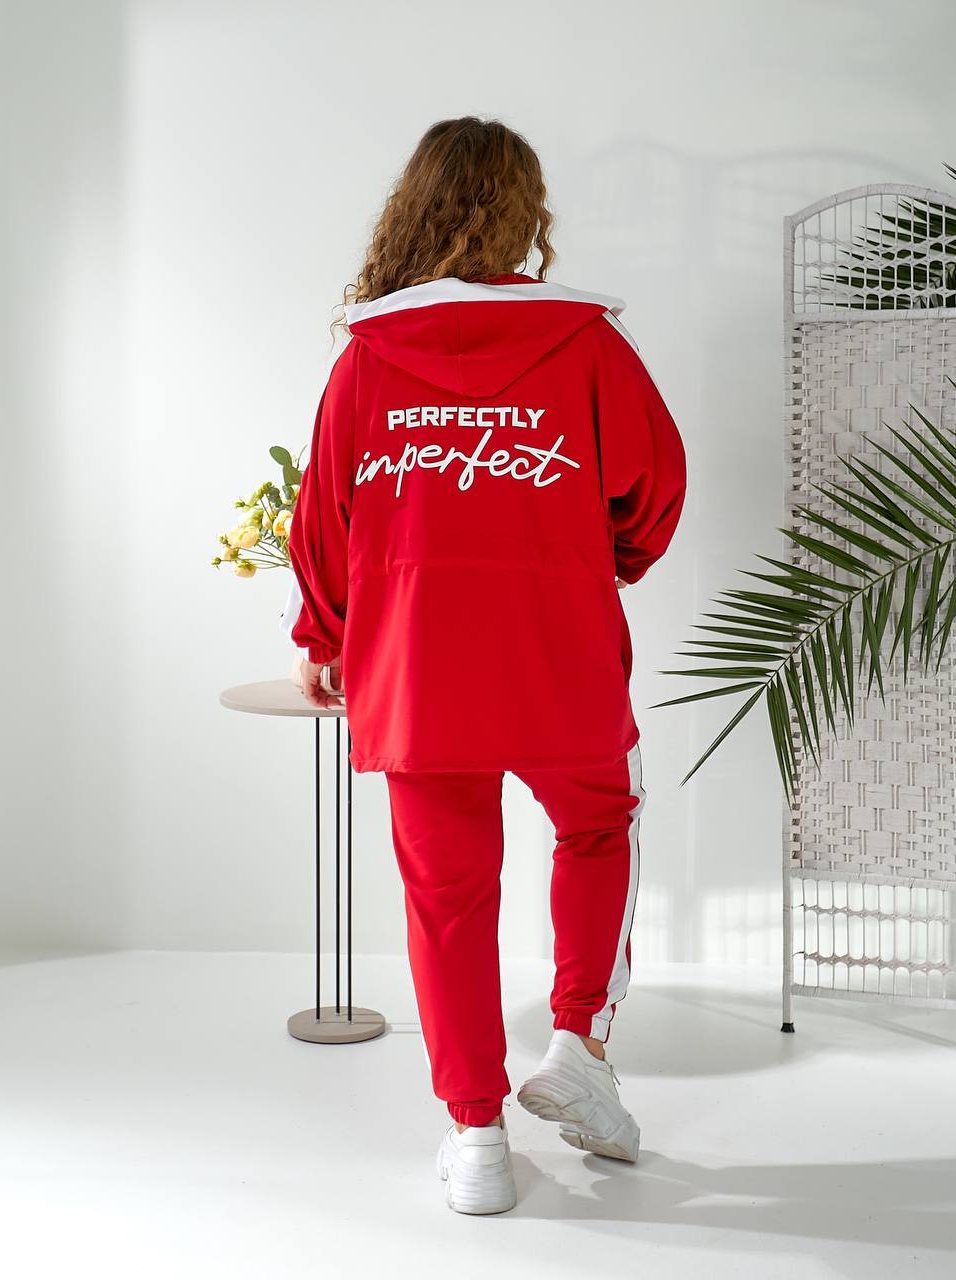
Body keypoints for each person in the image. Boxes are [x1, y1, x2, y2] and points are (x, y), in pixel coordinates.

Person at [280, 116, 687, 1215]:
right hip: (558, 652)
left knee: (446, 896)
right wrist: (600, 561)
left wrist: (322, 635)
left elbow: (323, 519)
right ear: (525, 213)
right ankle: (577, 1043)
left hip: (417, 673)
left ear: (410, 210)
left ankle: (475, 1140)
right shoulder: (586, 344)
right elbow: (655, 483)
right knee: (599, 824)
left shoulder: (369, 357)